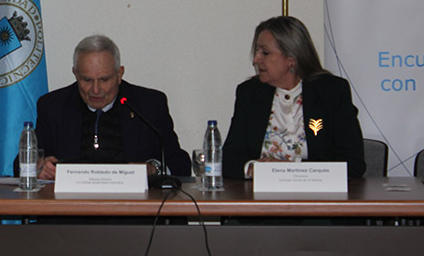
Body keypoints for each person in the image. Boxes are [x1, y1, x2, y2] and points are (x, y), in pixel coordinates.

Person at [222, 16, 366, 179]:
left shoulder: (331, 92)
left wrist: (292, 169)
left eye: (265, 52)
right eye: (256, 52)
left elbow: (353, 163)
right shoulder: (250, 94)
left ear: (291, 59)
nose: (256, 59)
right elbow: (229, 159)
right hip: (260, 198)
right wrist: (252, 168)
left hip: (318, 197)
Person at [34, 35, 191, 180]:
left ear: (119, 74)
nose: (95, 90)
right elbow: (21, 163)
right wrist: (39, 167)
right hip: (70, 206)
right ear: (75, 73)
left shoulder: (148, 105)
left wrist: (153, 169)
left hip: (134, 206)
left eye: (104, 79)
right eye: (87, 80)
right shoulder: (53, 106)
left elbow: (180, 164)